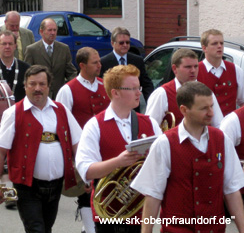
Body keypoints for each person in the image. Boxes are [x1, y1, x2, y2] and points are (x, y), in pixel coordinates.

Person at [131, 81, 244, 233]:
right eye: (204, 108)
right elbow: (153, 195)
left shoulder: (222, 139)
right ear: (184, 110)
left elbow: (232, 190)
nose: (211, 112)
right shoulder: (165, 143)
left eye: (211, 106)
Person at [0, 65, 82, 232]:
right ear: (25, 86)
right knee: (36, 229)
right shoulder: (13, 113)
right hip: (27, 187)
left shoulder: (62, 110)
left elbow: (78, 145)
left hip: (56, 186)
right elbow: (0, 152)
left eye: (42, 84)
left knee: (46, 228)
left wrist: (85, 177)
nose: (37, 88)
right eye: (32, 84)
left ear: (49, 86)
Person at [75, 64, 162, 233]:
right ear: (115, 93)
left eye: (139, 88)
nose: (139, 93)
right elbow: (86, 170)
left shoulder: (149, 123)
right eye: (133, 88)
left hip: (140, 212)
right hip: (107, 214)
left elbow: (164, 162)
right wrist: (118, 162)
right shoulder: (95, 125)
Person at [55, 47, 109, 233]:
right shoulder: (67, 90)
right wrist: (70, 159)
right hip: (83, 151)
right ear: (82, 65)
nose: (99, 65)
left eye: (99, 61)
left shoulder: (105, 85)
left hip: (106, 150)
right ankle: (89, 228)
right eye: (95, 63)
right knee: (86, 193)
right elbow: (62, 125)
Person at [146, 48, 223, 128]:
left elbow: (219, 125)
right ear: (174, 69)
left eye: (196, 66)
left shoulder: (206, 92)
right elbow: (150, 128)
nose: (193, 70)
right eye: (188, 67)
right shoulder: (162, 94)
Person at [99, 27, 153, 111]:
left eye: (127, 42)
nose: (125, 45)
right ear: (113, 43)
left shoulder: (137, 60)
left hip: (133, 110)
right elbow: (101, 88)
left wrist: (151, 103)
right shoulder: (103, 62)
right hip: (113, 109)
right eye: (121, 43)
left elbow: (146, 84)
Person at [24, 18, 77, 98]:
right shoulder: (32, 50)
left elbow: (71, 72)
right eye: (49, 30)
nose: (52, 33)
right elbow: (27, 74)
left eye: (55, 30)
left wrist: (69, 88)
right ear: (41, 32)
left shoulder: (64, 49)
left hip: (59, 95)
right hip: (40, 95)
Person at [197, 29, 244, 116]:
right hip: (206, 127)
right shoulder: (196, 71)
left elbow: (242, 101)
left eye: (221, 43)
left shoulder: (235, 70)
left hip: (229, 127)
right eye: (214, 43)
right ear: (204, 48)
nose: (219, 46)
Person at [0, 29, 30, 102]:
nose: (7, 47)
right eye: (4, 44)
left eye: (10, 43)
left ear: (15, 46)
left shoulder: (26, 69)